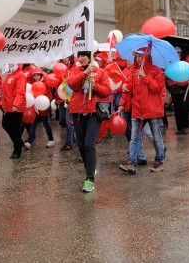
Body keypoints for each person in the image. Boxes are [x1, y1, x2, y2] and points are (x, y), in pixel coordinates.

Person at [67, 51, 111, 193]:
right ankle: (90, 169)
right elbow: (72, 85)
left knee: (89, 145)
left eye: (83, 56)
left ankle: (89, 179)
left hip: (93, 112)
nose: (80, 59)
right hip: (77, 112)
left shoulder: (101, 72)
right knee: (80, 144)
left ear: (89, 57)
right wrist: (84, 73)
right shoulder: (74, 69)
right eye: (78, 56)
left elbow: (106, 91)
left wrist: (95, 85)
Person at [119, 48, 166, 174]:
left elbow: (158, 87)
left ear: (148, 56)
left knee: (156, 137)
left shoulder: (157, 71)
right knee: (134, 138)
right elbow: (128, 85)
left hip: (152, 111)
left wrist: (146, 77)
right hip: (137, 110)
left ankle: (159, 161)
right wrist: (124, 87)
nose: (139, 58)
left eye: (142, 56)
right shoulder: (134, 71)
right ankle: (132, 163)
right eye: (138, 56)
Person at [24, 68, 55, 149]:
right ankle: (29, 141)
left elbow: (48, 95)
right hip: (35, 107)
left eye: (37, 75)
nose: (36, 77)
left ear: (41, 75)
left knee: (45, 123)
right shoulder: (33, 84)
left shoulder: (45, 84)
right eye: (34, 75)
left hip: (43, 106)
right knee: (33, 124)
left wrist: (43, 102)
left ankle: (51, 139)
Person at [0, 63, 26, 159]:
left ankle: (17, 149)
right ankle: (19, 142)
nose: (9, 63)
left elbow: (20, 91)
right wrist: (2, 103)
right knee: (5, 125)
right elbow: (5, 91)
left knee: (14, 128)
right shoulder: (9, 75)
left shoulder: (20, 75)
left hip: (16, 108)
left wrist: (16, 104)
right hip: (8, 107)